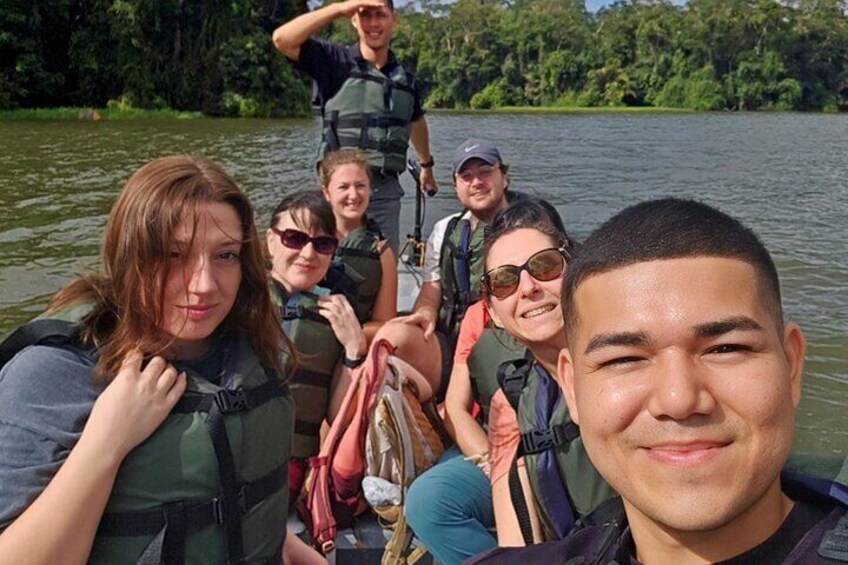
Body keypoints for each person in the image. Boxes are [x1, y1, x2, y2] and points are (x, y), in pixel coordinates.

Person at [471, 198, 848, 564]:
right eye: (624, 359)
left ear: (792, 365)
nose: (678, 399)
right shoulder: (515, 398)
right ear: (572, 388)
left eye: (725, 349)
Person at [0, 156, 294, 564]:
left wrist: (287, 543)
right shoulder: (52, 374)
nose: (204, 285)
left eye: (225, 255)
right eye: (174, 255)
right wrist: (108, 440)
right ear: (130, 256)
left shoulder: (249, 346)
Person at [272, 0, 438, 255]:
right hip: (341, 186)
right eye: (365, 15)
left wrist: (426, 166)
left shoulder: (406, 79)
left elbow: (415, 121)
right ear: (353, 20)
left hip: (384, 189)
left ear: (394, 19)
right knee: (333, 260)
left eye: (380, 15)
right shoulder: (334, 62)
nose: (373, 23)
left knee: (383, 265)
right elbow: (282, 39)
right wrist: (339, 8)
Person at [372, 138, 513, 404]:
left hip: (511, 339)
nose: (476, 182)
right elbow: (431, 290)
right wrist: (425, 312)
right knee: (392, 337)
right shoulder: (444, 229)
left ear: (504, 177)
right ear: (456, 185)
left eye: (485, 172)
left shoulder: (530, 224)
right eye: (466, 175)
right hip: (454, 341)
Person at [266, 191, 367, 498]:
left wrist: (354, 351)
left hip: (287, 464)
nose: (309, 253)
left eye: (323, 244)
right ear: (271, 241)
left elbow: (338, 418)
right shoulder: (236, 297)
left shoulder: (336, 315)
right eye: (295, 238)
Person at [319, 148, 398, 337]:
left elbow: (383, 323)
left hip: (356, 342)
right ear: (327, 193)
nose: (353, 195)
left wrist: (346, 334)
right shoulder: (306, 240)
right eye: (343, 187)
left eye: (360, 186)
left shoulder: (382, 252)